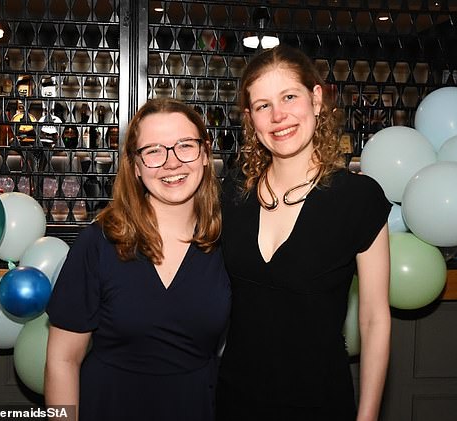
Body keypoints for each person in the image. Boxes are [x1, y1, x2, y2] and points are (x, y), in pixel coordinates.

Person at [216, 45, 391, 421]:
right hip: (234, 401)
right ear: (250, 118)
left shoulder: (358, 198)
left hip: (320, 403)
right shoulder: (231, 194)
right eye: (263, 105)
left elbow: (375, 319)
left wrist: (369, 415)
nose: (278, 116)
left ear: (315, 99)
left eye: (289, 97)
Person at [45, 98, 231, 421]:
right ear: (135, 166)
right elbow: (63, 360)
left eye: (185, 145)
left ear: (204, 154)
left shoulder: (228, 241)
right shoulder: (98, 243)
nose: (171, 163)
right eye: (154, 151)